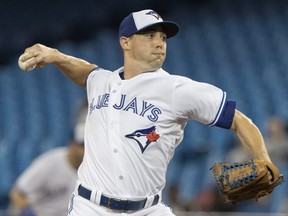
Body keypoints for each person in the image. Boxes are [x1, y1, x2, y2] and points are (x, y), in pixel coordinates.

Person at [18, 9, 275, 216]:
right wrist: (55, 56)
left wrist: (263, 158)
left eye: (162, 38)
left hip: (148, 209)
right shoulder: (102, 81)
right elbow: (86, 72)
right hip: (90, 207)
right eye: (149, 35)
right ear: (125, 42)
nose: (159, 43)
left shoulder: (176, 89)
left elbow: (239, 120)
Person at [9, 103, 86, 216]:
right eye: (82, 146)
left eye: (88, 146)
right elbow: (16, 193)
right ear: (71, 144)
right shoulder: (51, 162)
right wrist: (27, 212)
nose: (85, 151)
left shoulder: (90, 167)